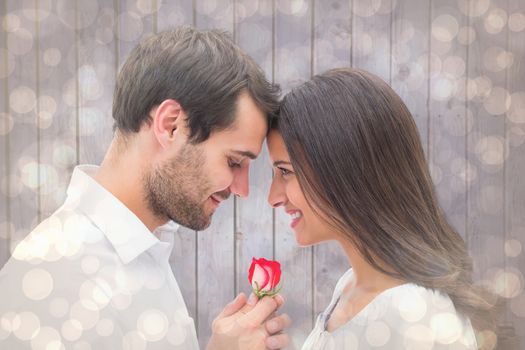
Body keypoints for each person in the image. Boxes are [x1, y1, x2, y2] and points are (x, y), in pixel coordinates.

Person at [0, 27, 291, 350]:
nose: (243, 189)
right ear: (171, 125)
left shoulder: (139, 252)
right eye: (235, 162)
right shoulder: (56, 280)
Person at [267, 68, 505, 349]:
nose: (273, 197)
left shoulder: (414, 313)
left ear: (345, 169)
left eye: (284, 171)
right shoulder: (351, 286)